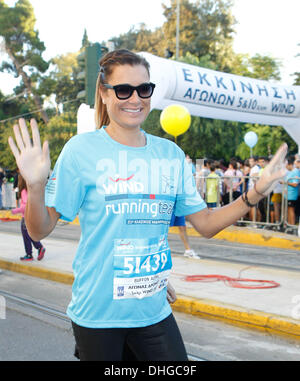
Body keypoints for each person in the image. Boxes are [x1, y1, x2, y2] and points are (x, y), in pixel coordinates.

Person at [8, 49, 288, 361]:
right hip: (98, 314)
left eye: (144, 89)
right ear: (103, 94)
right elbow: (39, 229)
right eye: (124, 90)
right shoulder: (81, 150)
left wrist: (257, 192)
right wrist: (35, 187)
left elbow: (206, 224)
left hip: (153, 309)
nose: (135, 99)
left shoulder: (169, 155)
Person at [11, 173, 46, 261]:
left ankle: (31, 253)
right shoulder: (30, 190)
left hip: (26, 216)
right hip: (31, 215)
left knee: (26, 235)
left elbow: (26, 206)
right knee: (28, 234)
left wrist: (15, 211)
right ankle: (38, 248)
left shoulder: (23, 191)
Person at [284, 156, 300, 226]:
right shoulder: (291, 172)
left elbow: (295, 184)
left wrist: (285, 183)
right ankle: (290, 225)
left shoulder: (296, 171)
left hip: (292, 195)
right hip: (288, 195)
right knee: (289, 210)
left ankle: (292, 225)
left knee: (291, 210)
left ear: (289, 164)